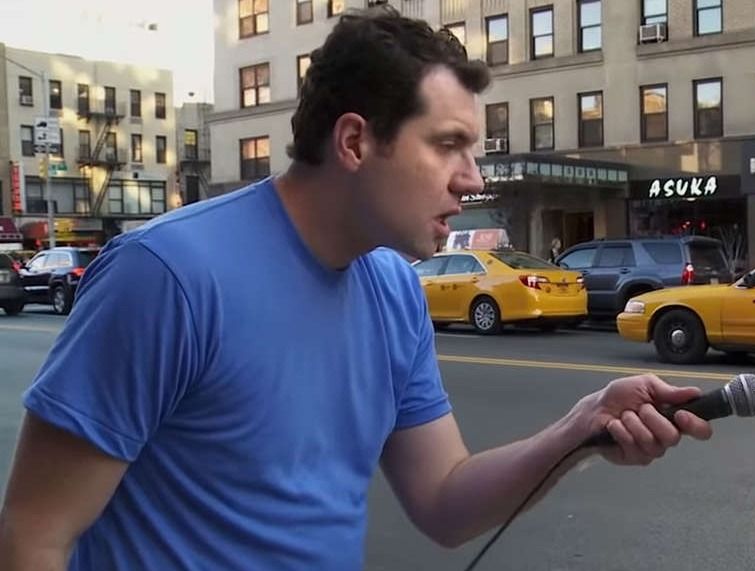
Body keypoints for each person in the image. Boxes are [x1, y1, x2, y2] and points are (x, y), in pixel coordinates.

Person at [0, 8, 712, 570]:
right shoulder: (164, 275)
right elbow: (33, 536)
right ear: (353, 142)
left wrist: (579, 429)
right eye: (447, 145)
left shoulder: (395, 290)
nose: (473, 178)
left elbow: (444, 500)